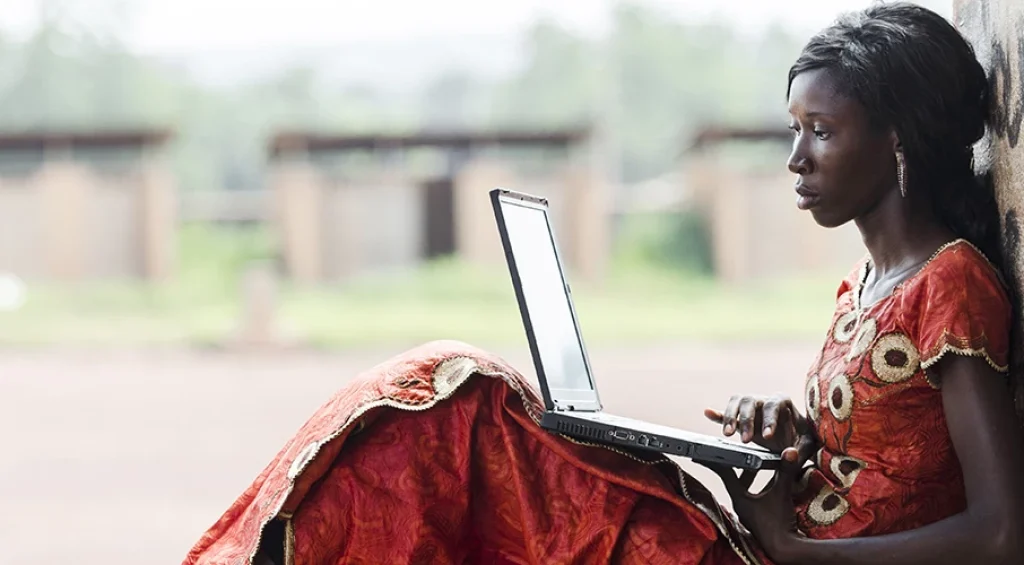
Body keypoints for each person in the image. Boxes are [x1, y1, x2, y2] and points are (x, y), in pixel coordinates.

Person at [183, 4, 1024, 564]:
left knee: (461, 399)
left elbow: (999, 530)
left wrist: (801, 552)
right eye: (794, 129)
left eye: (822, 132)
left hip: (770, 558)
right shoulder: (871, 281)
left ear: (899, 142)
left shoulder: (951, 284)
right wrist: (794, 434)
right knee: (466, 403)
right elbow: (888, 452)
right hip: (764, 538)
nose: (795, 160)